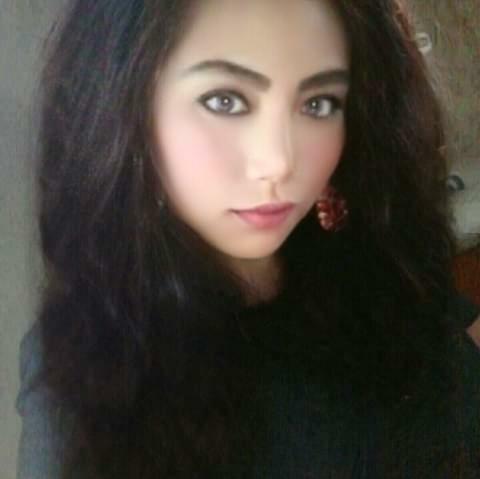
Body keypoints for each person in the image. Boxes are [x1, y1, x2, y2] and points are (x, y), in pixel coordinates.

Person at [16, 0, 480, 477]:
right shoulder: (87, 361)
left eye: (318, 103)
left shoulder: (374, 269)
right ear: (128, 107)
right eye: (225, 101)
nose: (278, 161)